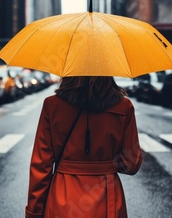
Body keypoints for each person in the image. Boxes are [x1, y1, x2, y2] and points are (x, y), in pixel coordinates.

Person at [25, 76, 143, 218]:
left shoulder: (52, 105)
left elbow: (41, 165)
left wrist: (34, 211)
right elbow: (131, 164)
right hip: (107, 197)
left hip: (63, 197)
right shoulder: (124, 106)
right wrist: (105, 163)